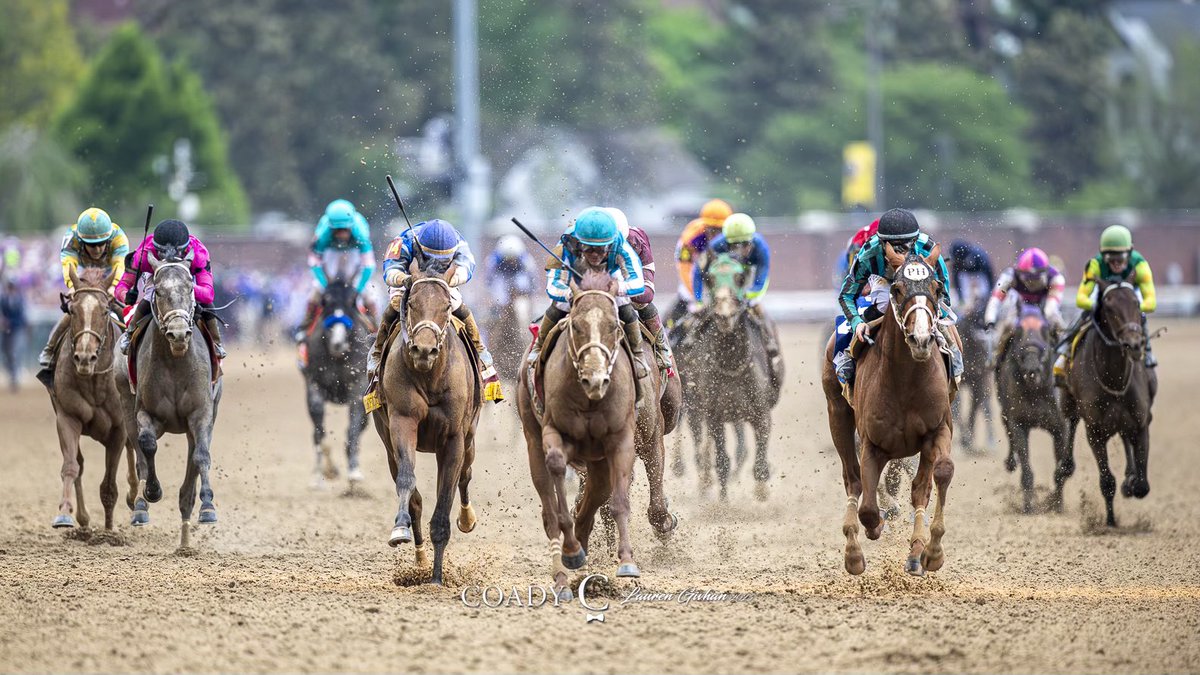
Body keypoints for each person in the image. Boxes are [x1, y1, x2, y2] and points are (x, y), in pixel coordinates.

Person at [368, 219, 503, 402]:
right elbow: (390, 270)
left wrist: (450, 280)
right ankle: (377, 353)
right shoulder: (405, 241)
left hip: (443, 283)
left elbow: (467, 267)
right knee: (396, 303)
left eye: (444, 259)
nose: (438, 261)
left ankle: (481, 354)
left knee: (457, 306)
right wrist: (405, 279)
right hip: (409, 280)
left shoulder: (458, 241)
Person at [834, 208, 961, 386]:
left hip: (919, 283)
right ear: (881, 243)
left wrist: (935, 314)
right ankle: (849, 353)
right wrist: (857, 322)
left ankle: (952, 350)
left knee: (943, 319)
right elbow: (846, 295)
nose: (900, 253)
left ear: (915, 241)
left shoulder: (927, 249)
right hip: (884, 280)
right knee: (883, 304)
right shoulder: (868, 254)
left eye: (906, 246)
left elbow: (944, 293)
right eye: (895, 247)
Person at [527, 207, 650, 381]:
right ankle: (539, 348)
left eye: (601, 249)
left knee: (625, 305)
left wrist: (615, 288)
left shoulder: (620, 245)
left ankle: (638, 354)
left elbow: (638, 283)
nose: (595, 254)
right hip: (576, 281)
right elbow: (553, 285)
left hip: (609, 277)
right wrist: (570, 294)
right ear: (578, 242)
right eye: (589, 249)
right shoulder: (563, 246)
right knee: (558, 306)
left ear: (611, 243)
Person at [1053, 225, 1157, 380]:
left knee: (1139, 317)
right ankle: (1065, 352)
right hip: (1103, 296)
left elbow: (1151, 301)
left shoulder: (1140, 265)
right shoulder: (1094, 264)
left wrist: (1132, 308)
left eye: (1120, 259)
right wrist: (1094, 306)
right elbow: (1081, 298)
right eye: (1110, 259)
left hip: (1129, 297)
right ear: (1102, 255)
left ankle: (1147, 352)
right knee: (1082, 316)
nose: (1115, 264)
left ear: (1130, 252)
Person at [115, 219, 226, 359]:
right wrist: (125, 295)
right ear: (155, 249)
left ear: (186, 249)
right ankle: (129, 334)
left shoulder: (198, 254)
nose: (170, 257)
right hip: (156, 273)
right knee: (150, 295)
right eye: (162, 252)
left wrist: (184, 287)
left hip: (185, 275)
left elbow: (208, 295)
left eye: (177, 253)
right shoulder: (143, 255)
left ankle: (216, 342)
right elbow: (121, 287)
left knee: (206, 304)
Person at [690, 213, 782, 377]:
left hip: (746, 284)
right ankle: (690, 344)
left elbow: (760, 280)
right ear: (726, 241)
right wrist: (698, 300)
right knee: (702, 312)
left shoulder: (761, 249)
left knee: (757, 308)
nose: (739, 249)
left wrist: (751, 296)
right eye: (734, 245)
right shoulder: (716, 245)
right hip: (723, 286)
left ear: (751, 241)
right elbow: (698, 271)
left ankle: (770, 342)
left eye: (744, 244)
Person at [38, 208, 129, 368]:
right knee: (79, 307)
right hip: (84, 272)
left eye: (101, 244)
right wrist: (73, 287)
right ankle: (50, 348)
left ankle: (133, 344)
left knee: (120, 307)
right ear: (81, 241)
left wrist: (113, 287)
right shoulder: (71, 237)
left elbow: (120, 267)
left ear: (108, 240)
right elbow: (69, 266)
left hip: (110, 272)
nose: (98, 249)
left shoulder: (119, 238)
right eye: (91, 245)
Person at [295, 199, 376, 341]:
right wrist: (325, 286)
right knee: (315, 293)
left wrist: (357, 290)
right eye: (337, 230)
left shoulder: (361, 233)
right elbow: (314, 262)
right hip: (330, 253)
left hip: (353, 253)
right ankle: (305, 328)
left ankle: (377, 330)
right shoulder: (323, 234)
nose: (341, 234)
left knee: (369, 295)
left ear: (351, 227)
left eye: (345, 229)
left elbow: (369, 265)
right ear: (331, 227)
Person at [604, 207, 673, 371]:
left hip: (626, 282)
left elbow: (646, 293)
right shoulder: (583, 239)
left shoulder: (636, 242)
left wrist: (622, 289)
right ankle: (541, 346)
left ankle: (662, 347)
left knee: (642, 304)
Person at [984, 247, 1065, 362]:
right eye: (1028, 279)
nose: (1031, 284)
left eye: (1035, 279)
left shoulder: (1056, 278)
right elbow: (996, 299)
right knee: (1008, 325)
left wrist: (1048, 318)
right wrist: (990, 320)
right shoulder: (1009, 275)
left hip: (1044, 305)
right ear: (1019, 272)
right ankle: (997, 357)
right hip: (1019, 305)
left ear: (1045, 273)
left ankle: (1063, 357)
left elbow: (1051, 308)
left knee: (1056, 323)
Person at [667, 199, 733, 327]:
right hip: (693, 265)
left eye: (720, 230)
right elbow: (685, 268)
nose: (715, 234)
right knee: (686, 294)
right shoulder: (691, 236)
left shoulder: (731, 235)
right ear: (704, 226)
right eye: (712, 229)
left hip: (715, 267)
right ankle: (671, 328)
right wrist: (695, 295)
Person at [483, 234, 538, 308]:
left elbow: (532, 277)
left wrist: (530, 293)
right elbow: (489, 278)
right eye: (508, 258)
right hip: (502, 276)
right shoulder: (494, 260)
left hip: (519, 275)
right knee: (500, 298)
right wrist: (491, 293)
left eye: (513, 259)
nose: (510, 262)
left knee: (522, 287)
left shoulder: (526, 260)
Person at [948, 240, 995, 314]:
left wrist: (990, 291)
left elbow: (989, 274)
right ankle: (964, 315)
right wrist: (960, 297)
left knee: (984, 294)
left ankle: (984, 311)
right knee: (965, 300)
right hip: (965, 275)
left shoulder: (978, 256)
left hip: (980, 273)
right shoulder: (957, 260)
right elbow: (956, 278)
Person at [1, 279, 28, 391]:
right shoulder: (3, 299)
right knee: (6, 353)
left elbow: (22, 317)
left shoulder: (20, 300)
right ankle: (12, 374)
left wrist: (9, 322)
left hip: (17, 329)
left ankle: (14, 377)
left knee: (14, 352)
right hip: (5, 330)